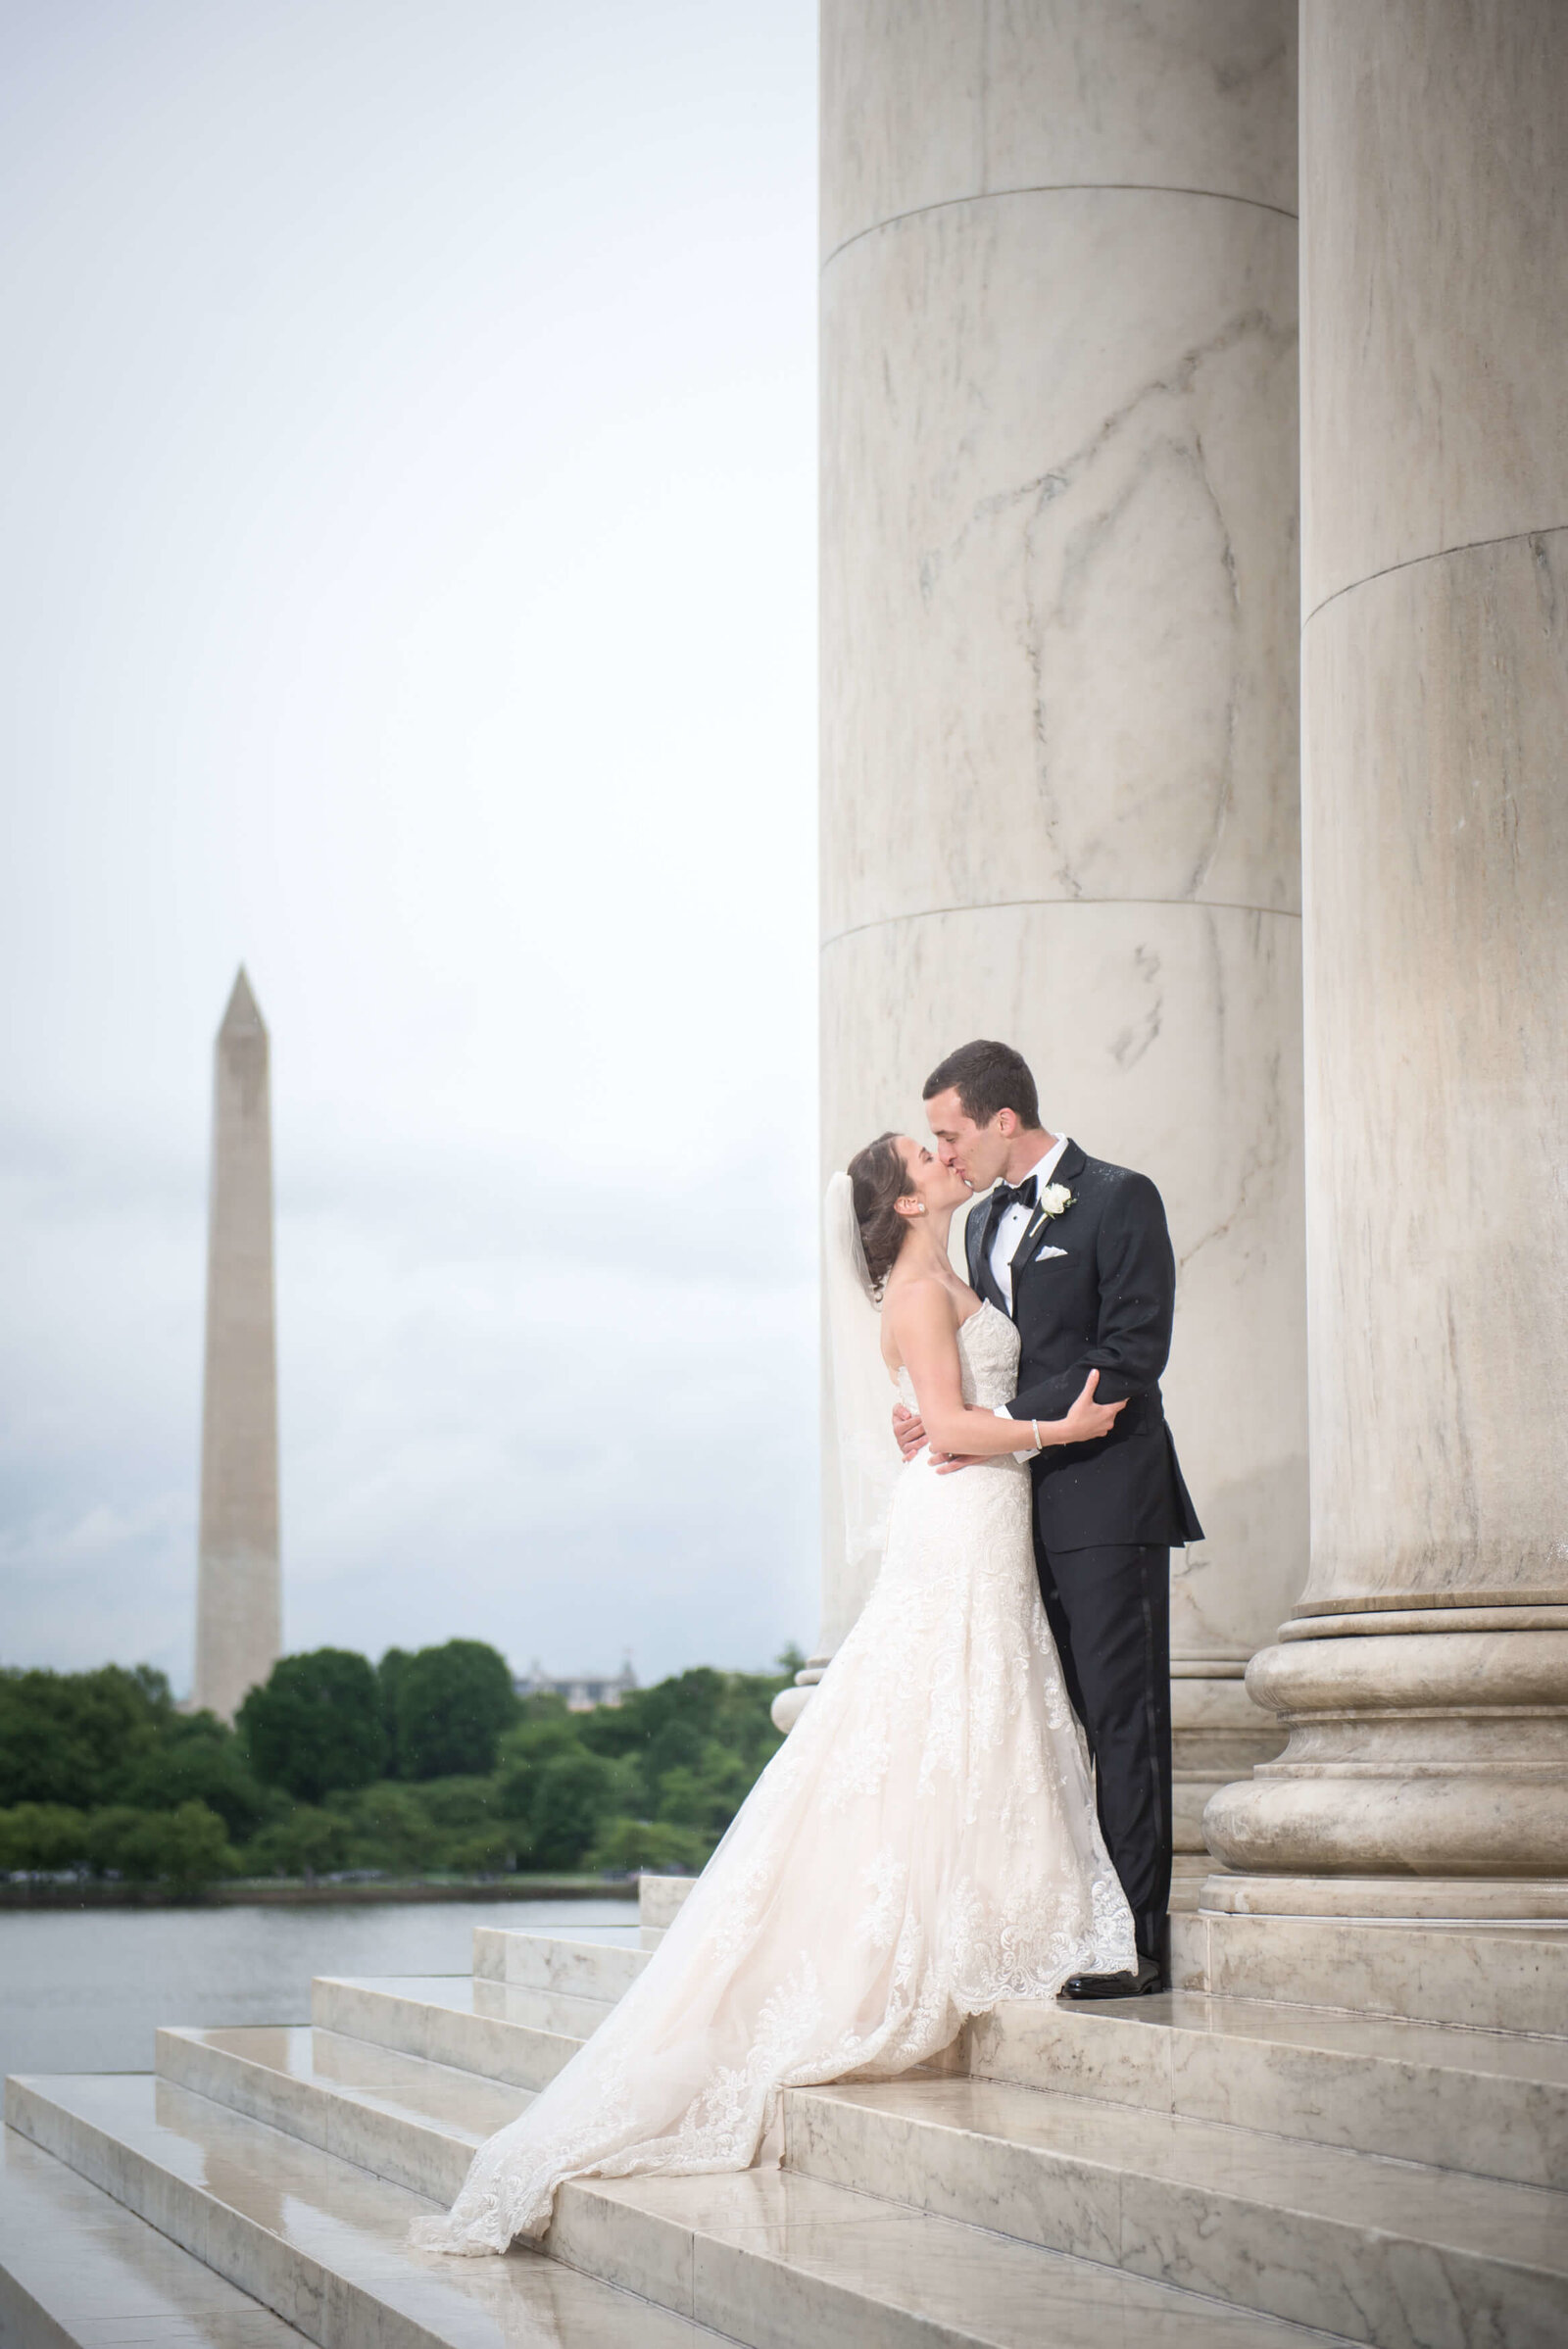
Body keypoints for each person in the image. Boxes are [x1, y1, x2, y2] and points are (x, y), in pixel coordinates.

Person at [413, 1130, 1136, 2255]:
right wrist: (1064, 1429)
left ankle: (990, 1897)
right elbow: (947, 1426)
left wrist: (985, 1422)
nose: (942, 1154)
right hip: (963, 1508)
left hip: (985, 1508)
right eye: (920, 1153)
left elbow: (945, 1405)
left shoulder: (961, 1263)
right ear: (901, 1199)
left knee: (977, 1709)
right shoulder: (913, 1290)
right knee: (940, 1704)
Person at [898, 1039, 1203, 1995]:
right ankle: (1061, 1921)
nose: (944, 1154)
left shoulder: (1119, 1196)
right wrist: (933, 1408)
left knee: (1121, 1719)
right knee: (1042, 1725)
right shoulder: (982, 1219)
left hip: (1106, 1495)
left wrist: (1002, 1432)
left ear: (1002, 1120)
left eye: (951, 1133)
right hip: (1004, 1508)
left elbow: (1130, 1353)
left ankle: (1136, 1944)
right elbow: (979, 1344)